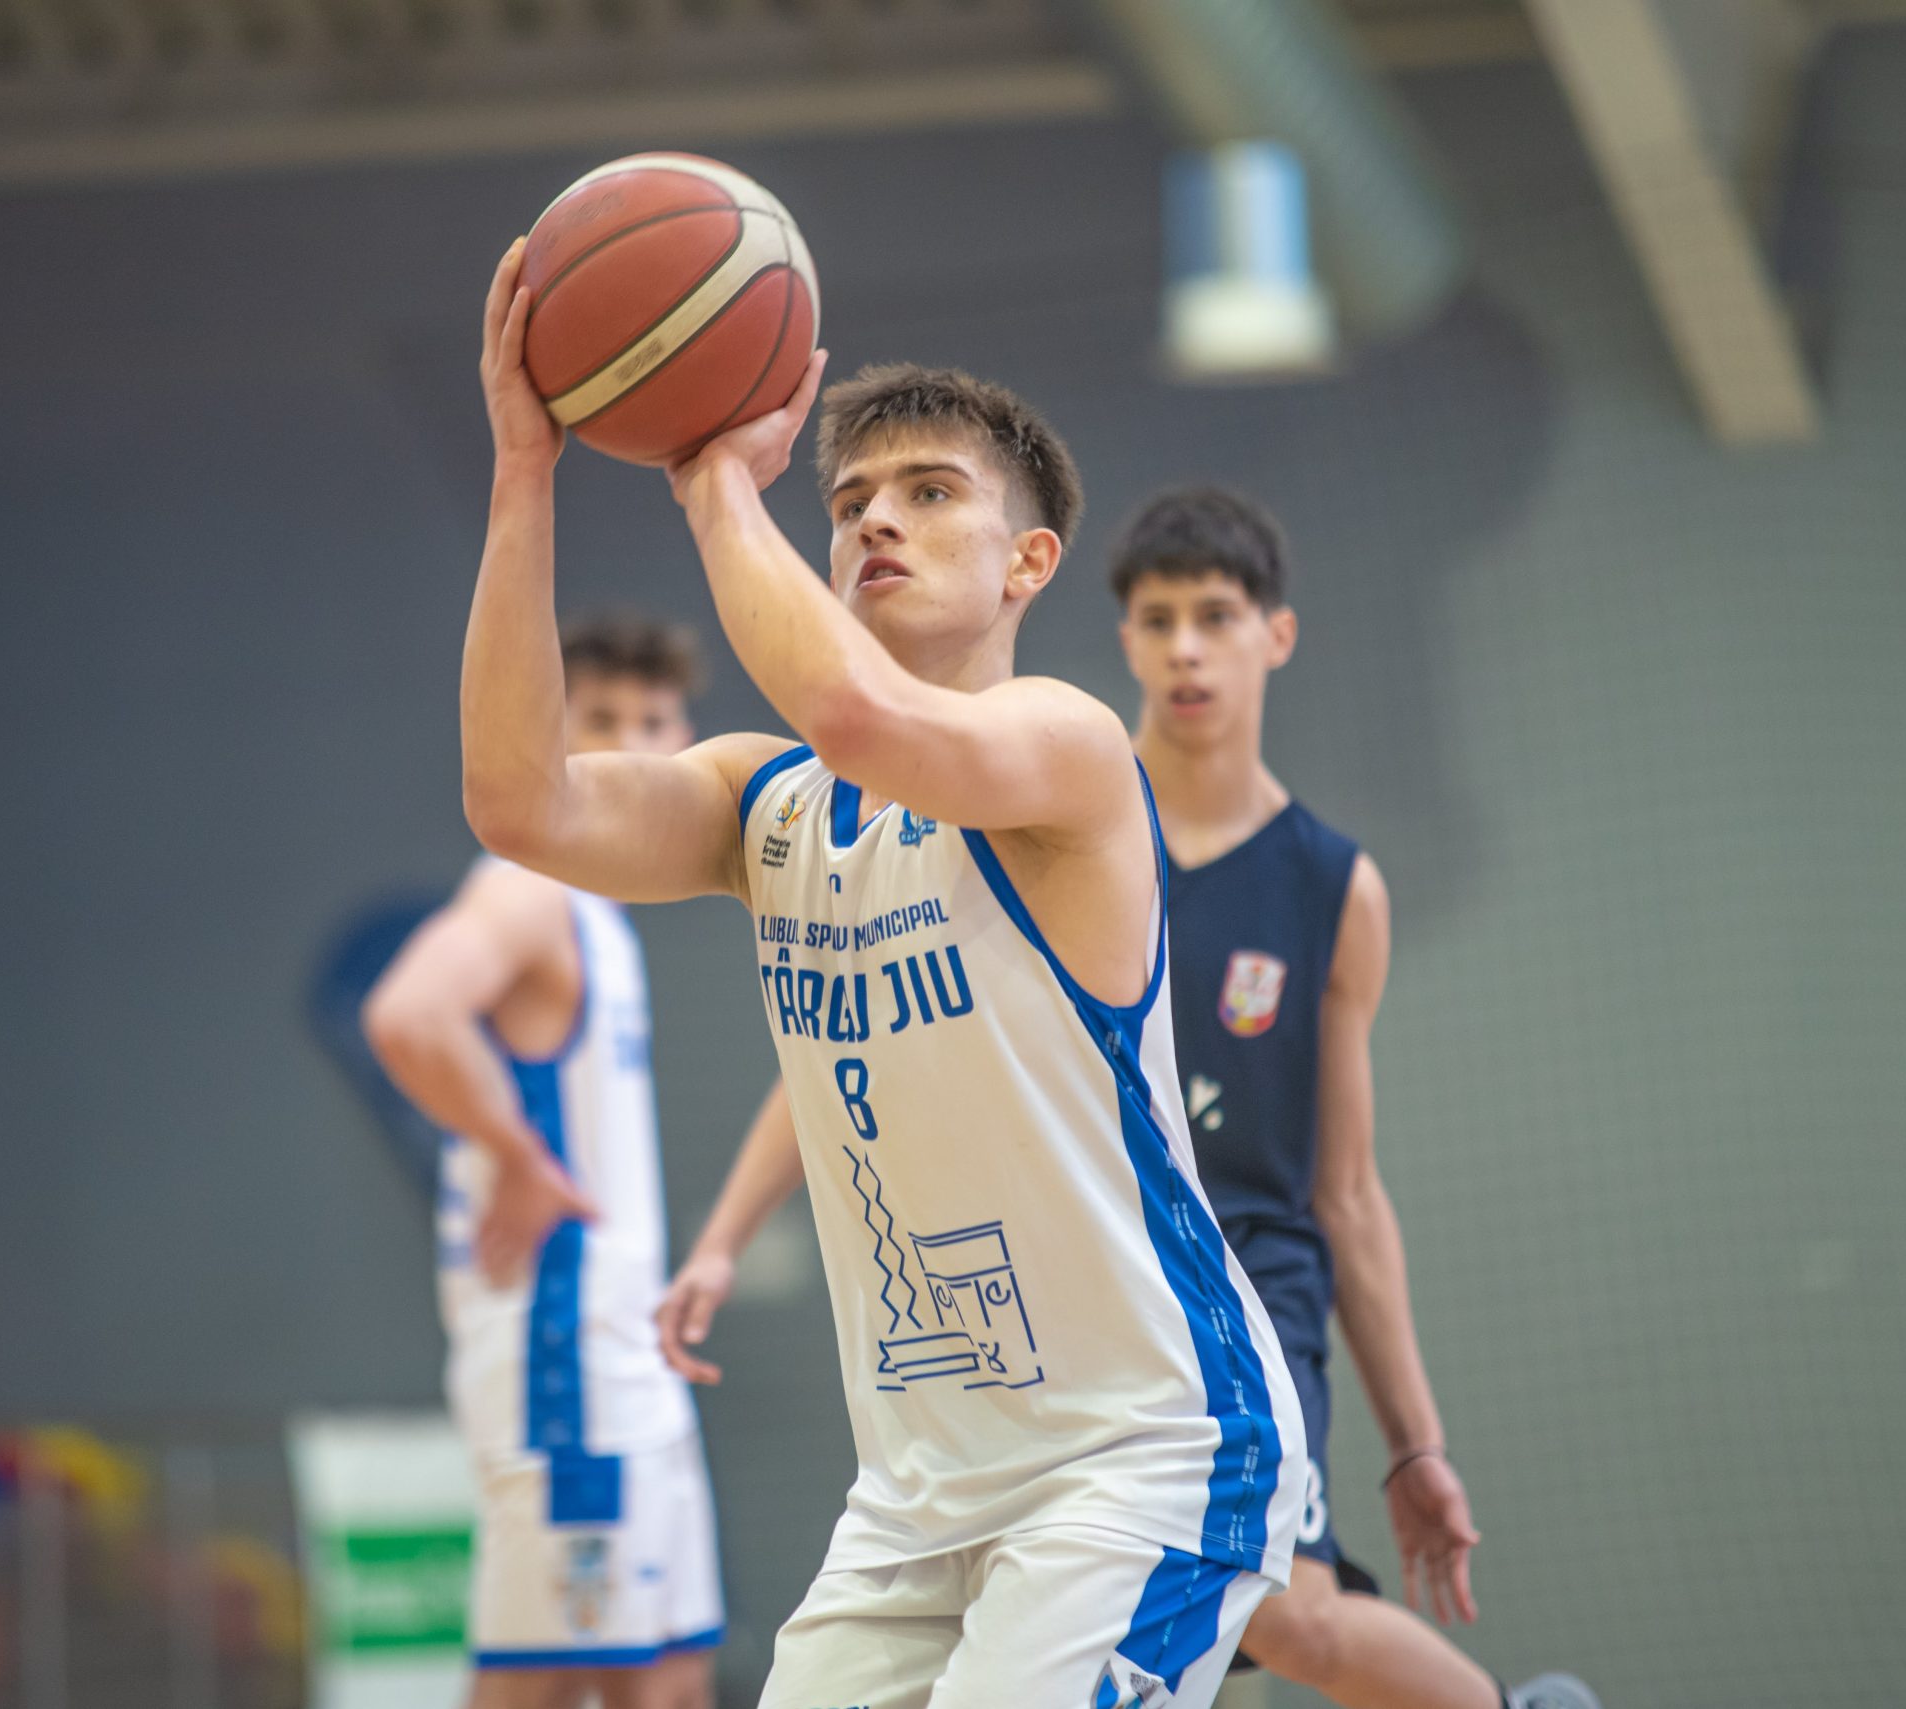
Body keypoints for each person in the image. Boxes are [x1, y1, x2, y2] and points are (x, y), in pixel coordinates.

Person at [460, 239, 1304, 1709]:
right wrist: (526, 471)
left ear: (1028, 563)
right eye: (848, 501)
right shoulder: (765, 802)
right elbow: (518, 804)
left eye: (929, 494)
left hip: (1141, 1456)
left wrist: (709, 478)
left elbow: (860, 715)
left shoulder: (1069, 749)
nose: (874, 521)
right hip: (917, 1497)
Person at [659, 486, 1599, 1709]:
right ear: (1125, 641)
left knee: (1289, 1613)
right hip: (1064, 1272)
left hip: (1233, 1272)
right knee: (1215, 1615)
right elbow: (853, 1051)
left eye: (1215, 617)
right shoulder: (1040, 802)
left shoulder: (1329, 886)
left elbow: (1347, 1188)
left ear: (1277, 634)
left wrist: (1414, 1438)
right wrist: (722, 1238)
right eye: (1159, 621)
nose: (1186, 649)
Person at [362, 611, 723, 1708]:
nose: (630, 746)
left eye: (653, 721)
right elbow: (409, 1013)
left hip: (628, 1362)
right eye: (599, 719)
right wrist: (516, 1155)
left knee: (674, 1676)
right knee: (545, 1683)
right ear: (551, 733)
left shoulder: (605, 906)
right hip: (565, 1371)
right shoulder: (528, 885)